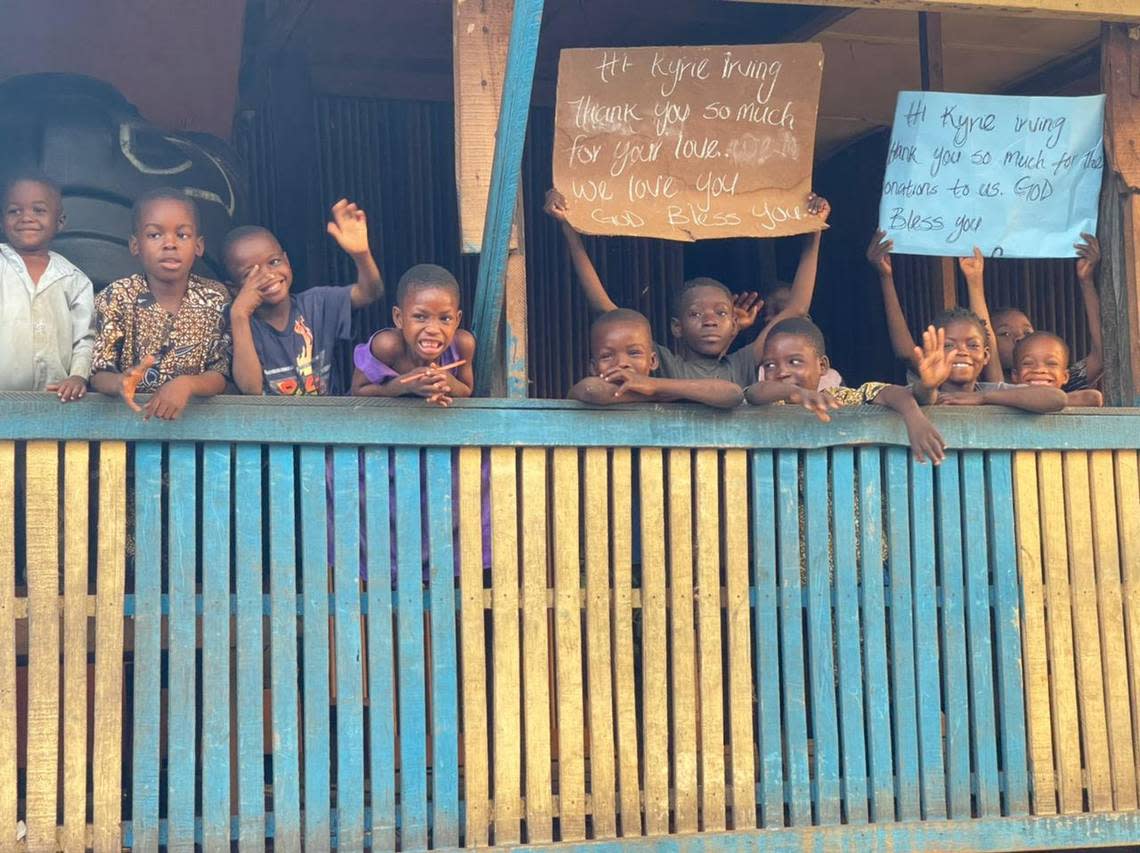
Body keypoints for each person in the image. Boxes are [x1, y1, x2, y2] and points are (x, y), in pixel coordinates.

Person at [544, 188, 831, 387]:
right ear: (676, 328)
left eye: (720, 313)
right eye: (695, 314)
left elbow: (796, 308)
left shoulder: (741, 365)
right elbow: (606, 309)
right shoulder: (664, 363)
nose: (709, 321)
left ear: (734, 323)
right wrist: (569, 229)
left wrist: (815, 231)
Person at [868, 230, 1102, 391]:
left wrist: (1086, 280)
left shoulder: (1053, 377)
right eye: (1005, 334)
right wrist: (974, 281)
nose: (1019, 338)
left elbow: (1101, 358)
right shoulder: (980, 380)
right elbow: (908, 352)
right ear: (987, 350)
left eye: (1026, 332)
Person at [90, 188, 230, 420]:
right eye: (155, 235)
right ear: (135, 245)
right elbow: (98, 371)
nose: (170, 244)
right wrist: (120, 382)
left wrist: (186, 385)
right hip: (127, 428)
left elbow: (221, 374)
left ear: (199, 245)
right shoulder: (117, 295)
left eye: (182, 235)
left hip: (197, 431)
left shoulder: (215, 298)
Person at [226, 199, 383, 396]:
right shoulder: (241, 328)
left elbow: (371, 293)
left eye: (274, 262)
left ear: (287, 261)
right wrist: (239, 314)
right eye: (251, 273)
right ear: (233, 288)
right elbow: (250, 389)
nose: (268, 275)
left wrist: (361, 255)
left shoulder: (317, 304)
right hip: (273, 426)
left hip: (328, 421)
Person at [744, 317, 946, 464]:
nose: (781, 372)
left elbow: (887, 392)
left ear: (822, 366)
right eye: (769, 365)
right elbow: (753, 392)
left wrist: (914, 415)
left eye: (795, 362)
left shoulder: (839, 398)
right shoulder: (768, 402)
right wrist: (793, 393)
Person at [0, 171, 94, 400]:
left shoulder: (74, 279)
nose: (26, 218)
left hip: (54, 405)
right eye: (15, 211)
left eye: (39, 210)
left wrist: (79, 376)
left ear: (59, 221)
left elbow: (86, 338)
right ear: (2, 221)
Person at [351, 263, 475, 406]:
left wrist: (447, 382)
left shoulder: (463, 345)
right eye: (420, 317)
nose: (433, 329)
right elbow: (358, 390)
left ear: (457, 320)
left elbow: (467, 390)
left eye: (445, 319)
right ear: (399, 318)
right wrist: (406, 386)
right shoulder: (387, 346)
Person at [569, 308, 743, 408]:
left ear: (653, 361)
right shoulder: (595, 388)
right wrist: (661, 395)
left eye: (634, 353)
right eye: (607, 356)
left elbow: (733, 394)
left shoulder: (663, 385)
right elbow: (590, 390)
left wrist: (653, 386)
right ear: (593, 367)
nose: (622, 363)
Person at [908, 309, 1066, 412]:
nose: (962, 351)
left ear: (986, 356)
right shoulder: (923, 391)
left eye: (972, 345)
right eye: (949, 345)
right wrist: (928, 386)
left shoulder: (992, 391)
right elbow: (923, 396)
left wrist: (983, 398)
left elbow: (1057, 398)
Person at [1011, 330, 1103, 407]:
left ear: (1065, 377)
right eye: (1028, 363)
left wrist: (1051, 402)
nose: (1039, 370)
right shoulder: (1006, 396)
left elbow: (1094, 397)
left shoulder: (1069, 398)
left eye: (1051, 364)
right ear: (1015, 375)